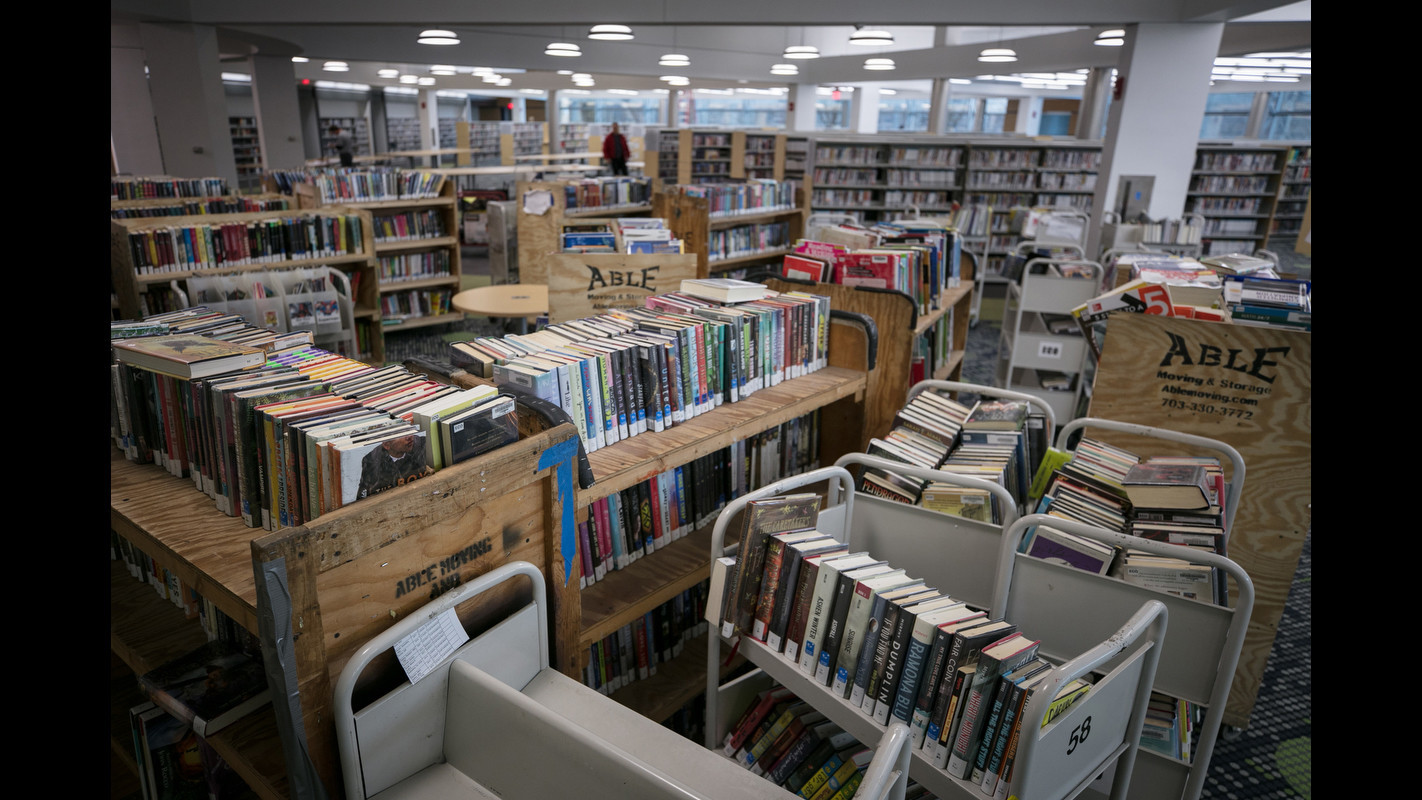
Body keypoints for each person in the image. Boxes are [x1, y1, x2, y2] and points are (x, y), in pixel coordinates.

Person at [356, 432, 431, 500]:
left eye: (409, 430)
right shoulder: (372, 460)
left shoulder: (423, 444)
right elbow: (363, 494)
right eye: (400, 434)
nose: (410, 436)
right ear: (386, 445)